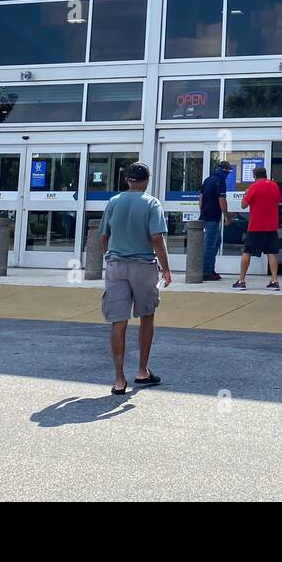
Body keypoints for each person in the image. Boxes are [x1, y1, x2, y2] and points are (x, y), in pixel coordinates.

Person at [99, 162, 172, 395]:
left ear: (127, 180)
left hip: (115, 266)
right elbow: (157, 239)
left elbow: (103, 236)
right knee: (147, 315)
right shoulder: (151, 203)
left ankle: (119, 379)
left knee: (118, 321)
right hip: (142, 266)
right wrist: (166, 268)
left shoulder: (113, 202)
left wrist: (108, 258)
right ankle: (142, 371)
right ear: (146, 180)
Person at [232, 166, 282, 291]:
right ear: (265, 175)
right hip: (271, 225)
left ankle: (241, 280)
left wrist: (245, 194)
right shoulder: (274, 186)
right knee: (272, 253)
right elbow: (278, 201)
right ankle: (274, 280)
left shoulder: (254, 187)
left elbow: (244, 205)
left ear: (254, 176)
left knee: (247, 252)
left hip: (256, 225)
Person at [198, 159, 233, 281]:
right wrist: (227, 215)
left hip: (205, 216)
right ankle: (206, 271)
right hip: (212, 217)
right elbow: (222, 200)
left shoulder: (207, 180)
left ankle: (208, 268)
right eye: (228, 171)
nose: (228, 173)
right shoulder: (220, 181)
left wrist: (202, 212)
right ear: (225, 170)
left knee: (216, 241)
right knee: (210, 245)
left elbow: (201, 198)